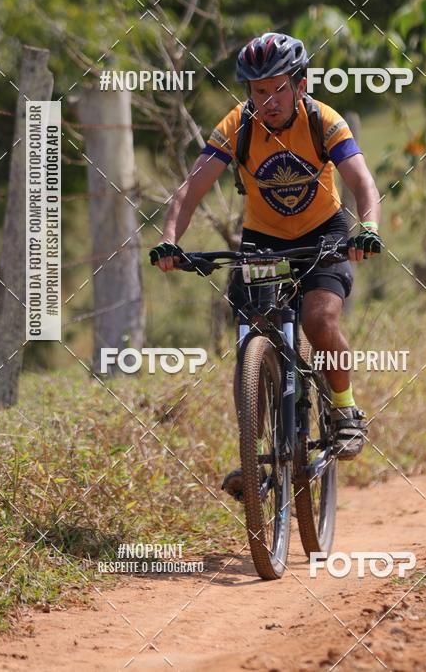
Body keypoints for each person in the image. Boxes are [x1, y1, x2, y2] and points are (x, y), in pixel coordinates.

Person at [152, 32, 382, 500]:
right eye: (258, 91)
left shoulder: (324, 121)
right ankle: (253, 460)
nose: (269, 100)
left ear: (300, 85)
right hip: (263, 240)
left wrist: (369, 228)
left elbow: (362, 182)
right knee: (250, 343)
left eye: (278, 88)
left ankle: (344, 410)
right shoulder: (237, 126)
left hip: (324, 233)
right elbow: (189, 191)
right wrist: (169, 241)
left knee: (319, 319)